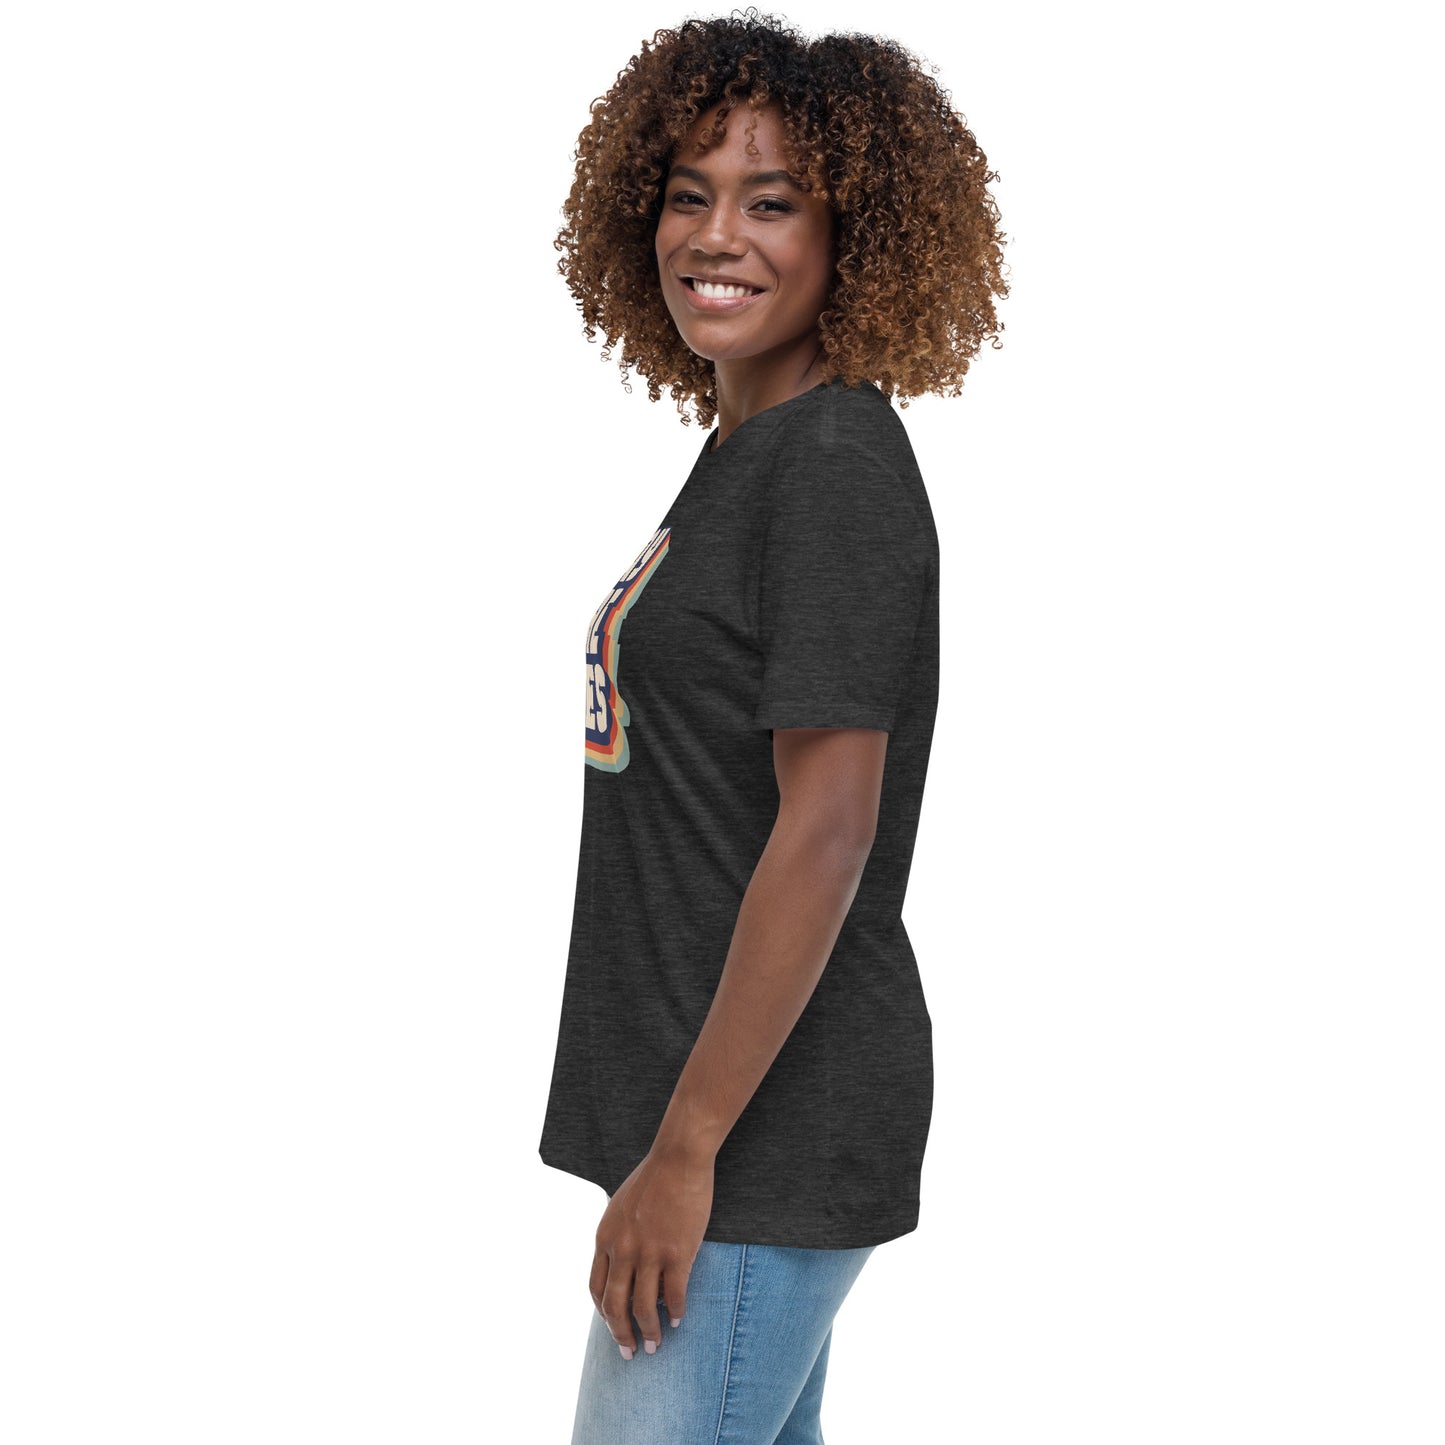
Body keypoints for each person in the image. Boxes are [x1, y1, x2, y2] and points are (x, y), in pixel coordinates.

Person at [538, 10, 1008, 1440]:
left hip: (755, 1144)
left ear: (855, 234)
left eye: (771, 202)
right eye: (688, 194)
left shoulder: (832, 464)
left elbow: (828, 831)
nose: (715, 236)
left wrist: (686, 1153)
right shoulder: (747, 455)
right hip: (716, 1126)